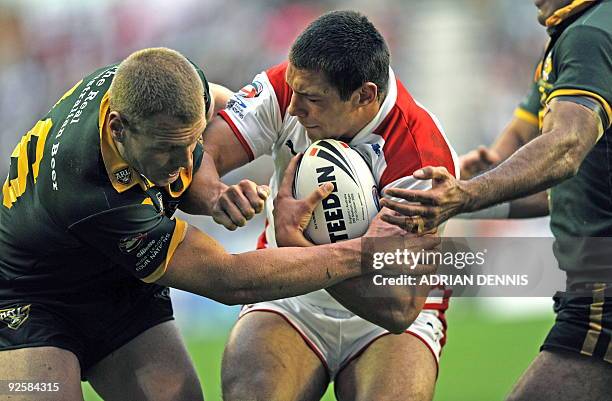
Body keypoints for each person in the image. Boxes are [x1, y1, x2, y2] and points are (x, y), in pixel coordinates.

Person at [0, 47, 434, 401]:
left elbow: (219, 114)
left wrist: (213, 194)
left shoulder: (165, 85)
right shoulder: (88, 190)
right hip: (34, 298)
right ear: (117, 129)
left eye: (189, 146)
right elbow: (228, 281)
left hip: (119, 284)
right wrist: (361, 253)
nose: (179, 165)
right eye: (166, 151)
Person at [197, 11, 459, 401]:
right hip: (291, 294)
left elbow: (399, 308)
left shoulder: (420, 156)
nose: (295, 109)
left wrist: (298, 245)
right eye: (295, 92)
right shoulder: (290, 86)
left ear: (364, 96)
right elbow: (205, 154)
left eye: (313, 100)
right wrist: (217, 195)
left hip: (381, 311)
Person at [379, 1, 612, 400]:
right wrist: (467, 193)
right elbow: (556, 183)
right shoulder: (578, 31)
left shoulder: (589, 36)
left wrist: (467, 194)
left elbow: (565, 147)